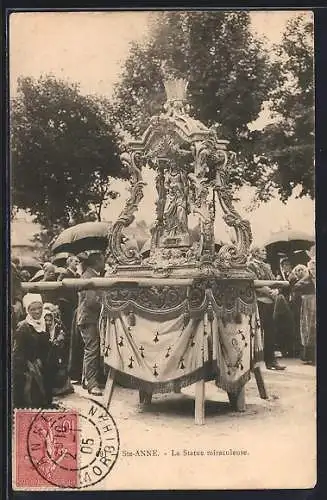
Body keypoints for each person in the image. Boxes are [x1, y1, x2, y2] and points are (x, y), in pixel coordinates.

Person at [247, 246, 286, 370]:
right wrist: (269, 291)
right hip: (258, 301)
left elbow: (274, 280)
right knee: (255, 331)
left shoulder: (267, 266)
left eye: (264, 251)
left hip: (269, 302)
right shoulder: (250, 265)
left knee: (270, 332)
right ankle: (251, 363)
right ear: (255, 252)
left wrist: (276, 290)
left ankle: (271, 361)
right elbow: (253, 282)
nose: (265, 253)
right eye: (262, 251)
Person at [13, 294, 53, 408]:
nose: (37, 312)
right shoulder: (23, 327)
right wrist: (28, 365)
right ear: (28, 311)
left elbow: (46, 347)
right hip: (27, 368)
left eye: (39, 308)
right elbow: (17, 353)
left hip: (41, 365)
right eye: (33, 309)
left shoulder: (44, 324)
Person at [76, 252, 105, 396]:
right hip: (89, 318)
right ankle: (92, 384)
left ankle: (86, 379)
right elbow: (92, 301)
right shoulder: (89, 277)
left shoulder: (91, 275)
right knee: (92, 349)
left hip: (88, 318)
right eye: (103, 260)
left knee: (90, 349)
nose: (104, 263)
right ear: (97, 262)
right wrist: (106, 304)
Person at [43, 303, 74, 395]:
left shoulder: (59, 326)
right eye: (46, 320)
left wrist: (60, 340)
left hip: (57, 354)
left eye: (50, 320)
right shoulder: (40, 327)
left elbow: (65, 338)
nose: (48, 323)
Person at [289, 264, 315, 360]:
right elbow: (295, 288)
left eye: (302, 270)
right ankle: (308, 355)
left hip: (311, 306)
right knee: (307, 329)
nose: (300, 272)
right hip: (305, 307)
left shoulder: (310, 279)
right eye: (298, 270)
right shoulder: (303, 281)